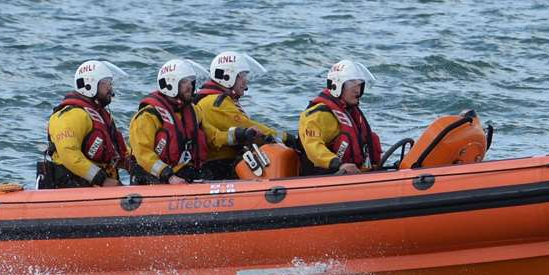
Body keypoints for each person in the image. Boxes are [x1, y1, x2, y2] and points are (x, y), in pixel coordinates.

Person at [194, 50, 291, 180]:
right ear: (228, 77)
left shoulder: (215, 99)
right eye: (242, 76)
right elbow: (249, 126)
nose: (245, 82)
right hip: (219, 165)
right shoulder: (218, 102)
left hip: (220, 162)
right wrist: (285, 137)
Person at [42, 60, 131, 188]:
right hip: (71, 184)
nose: (110, 88)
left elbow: (118, 152)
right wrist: (102, 180)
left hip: (96, 184)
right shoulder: (71, 115)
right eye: (106, 83)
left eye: (110, 83)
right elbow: (69, 154)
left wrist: (135, 164)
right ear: (90, 85)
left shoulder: (101, 116)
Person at [129, 58, 210, 185]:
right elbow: (143, 154)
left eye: (191, 81)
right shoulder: (148, 116)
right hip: (155, 177)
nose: (190, 86)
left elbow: (211, 135)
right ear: (170, 84)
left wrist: (237, 134)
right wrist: (168, 175)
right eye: (184, 82)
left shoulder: (193, 111)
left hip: (185, 171)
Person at [299, 60, 382, 175]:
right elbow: (313, 148)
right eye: (351, 85)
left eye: (359, 85)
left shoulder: (352, 113)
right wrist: (339, 164)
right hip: (324, 179)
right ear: (336, 86)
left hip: (355, 176)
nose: (357, 90)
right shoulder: (319, 116)